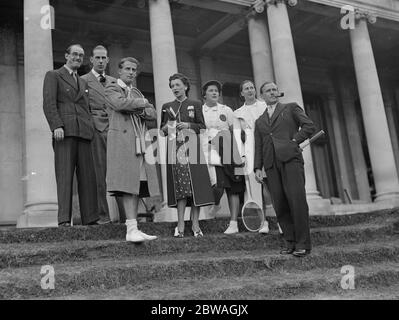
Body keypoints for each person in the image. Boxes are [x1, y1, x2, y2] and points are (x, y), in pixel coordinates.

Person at [254, 81, 316, 257]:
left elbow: (309, 126)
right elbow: (258, 145)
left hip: (291, 161)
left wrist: (294, 141)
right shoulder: (259, 121)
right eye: (268, 90)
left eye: (275, 89)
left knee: (296, 201)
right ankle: (289, 242)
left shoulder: (290, 108)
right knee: (280, 204)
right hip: (271, 165)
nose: (273, 92)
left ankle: (303, 243)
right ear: (262, 96)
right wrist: (257, 167)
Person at [105, 57, 160, 242]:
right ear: (119, 71)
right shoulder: (112, 87)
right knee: (128, 185)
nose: (130, 72)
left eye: (133, 69)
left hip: (139, 143)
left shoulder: (135, 92)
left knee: (136, 185)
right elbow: (119, 104)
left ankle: (133, 227)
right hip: (123, 142)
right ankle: (130, 229)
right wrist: (141, 104)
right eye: (127, 68)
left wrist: (139, 105)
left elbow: (152, 113)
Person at [43, 44, 99, 226]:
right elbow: (49, 103)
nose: (77, 58)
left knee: (88, 176)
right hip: (64, 132)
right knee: (65, 175)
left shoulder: (82, 81)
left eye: (81, 55)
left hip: (83, 132)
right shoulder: (54, 75)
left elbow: (86, 108)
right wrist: (56, 125)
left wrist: (90, 128)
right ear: (66, 55)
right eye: (74, 54)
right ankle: (64, 220)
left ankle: (90, 218)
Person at [160, 73, 214, 238]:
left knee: (195, 185)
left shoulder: (196, 104)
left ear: (185, 86)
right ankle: (180, 224)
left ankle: (195, 223)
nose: (174, 88)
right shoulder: (166, 106)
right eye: (172, 86)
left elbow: (202, 126)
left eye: (177, 85)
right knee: (181, 187)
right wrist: (170, 124)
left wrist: (188, 125)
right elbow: (162, 131)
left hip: (193, 148)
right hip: (176, 149)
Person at [81, 45, 125, 224]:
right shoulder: (83, 80)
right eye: (97, 58)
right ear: (91, 60)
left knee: (120, 174)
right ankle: (102, 215)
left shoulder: (115, 81)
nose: (100, 61)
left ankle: (125, 216)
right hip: (96, 130)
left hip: (115, 129)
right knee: (100, 174)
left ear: (108, 60)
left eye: (103, 58)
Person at [201, 80, 245, 234]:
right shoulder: (200, 111)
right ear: (204, 94)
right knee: (217, 186)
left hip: (228, 150)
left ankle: (233, 223)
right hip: (208, 151)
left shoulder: (227, 110)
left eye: (216, 91)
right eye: (211, 90)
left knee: (233, 188)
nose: (214, 93)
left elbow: (237, 133)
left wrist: (241, 154)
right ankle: (216, 203)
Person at [233, 80, 270, 234]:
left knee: (270, 185)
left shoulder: (264, 106)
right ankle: (264, 221)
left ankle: (281, 220)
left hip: (267, 146)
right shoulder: (237, 113)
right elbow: (236, 136)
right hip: (250, 150)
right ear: (242, 93)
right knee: (256, 187)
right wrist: (241, 156)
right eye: (246, 88)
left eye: (252, 88)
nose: (250, 90)